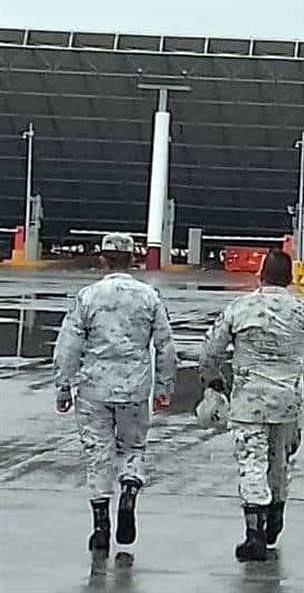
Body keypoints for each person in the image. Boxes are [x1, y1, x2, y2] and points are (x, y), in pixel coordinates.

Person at [53, 232, 177, 551]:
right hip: (134, 388)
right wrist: (164, 387)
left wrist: (63, 386)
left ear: (104, 258)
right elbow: (164, 346)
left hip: (94, 387)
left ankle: (100, 527)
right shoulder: (149, 296)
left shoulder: (88, 296)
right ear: (133, 260)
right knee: (133, 447)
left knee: (98, 453)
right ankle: (130, 491)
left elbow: (69, 345)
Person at [199, 249, 304, 561]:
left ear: (260, 274)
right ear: (290, 278)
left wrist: (213, 380)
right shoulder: (303, 310)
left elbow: (211, 349)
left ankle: (254, 532)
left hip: (249, 401)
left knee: (252, 462)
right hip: (288, 402)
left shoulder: (240, 307)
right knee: (279, 460)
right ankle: (276, 514)